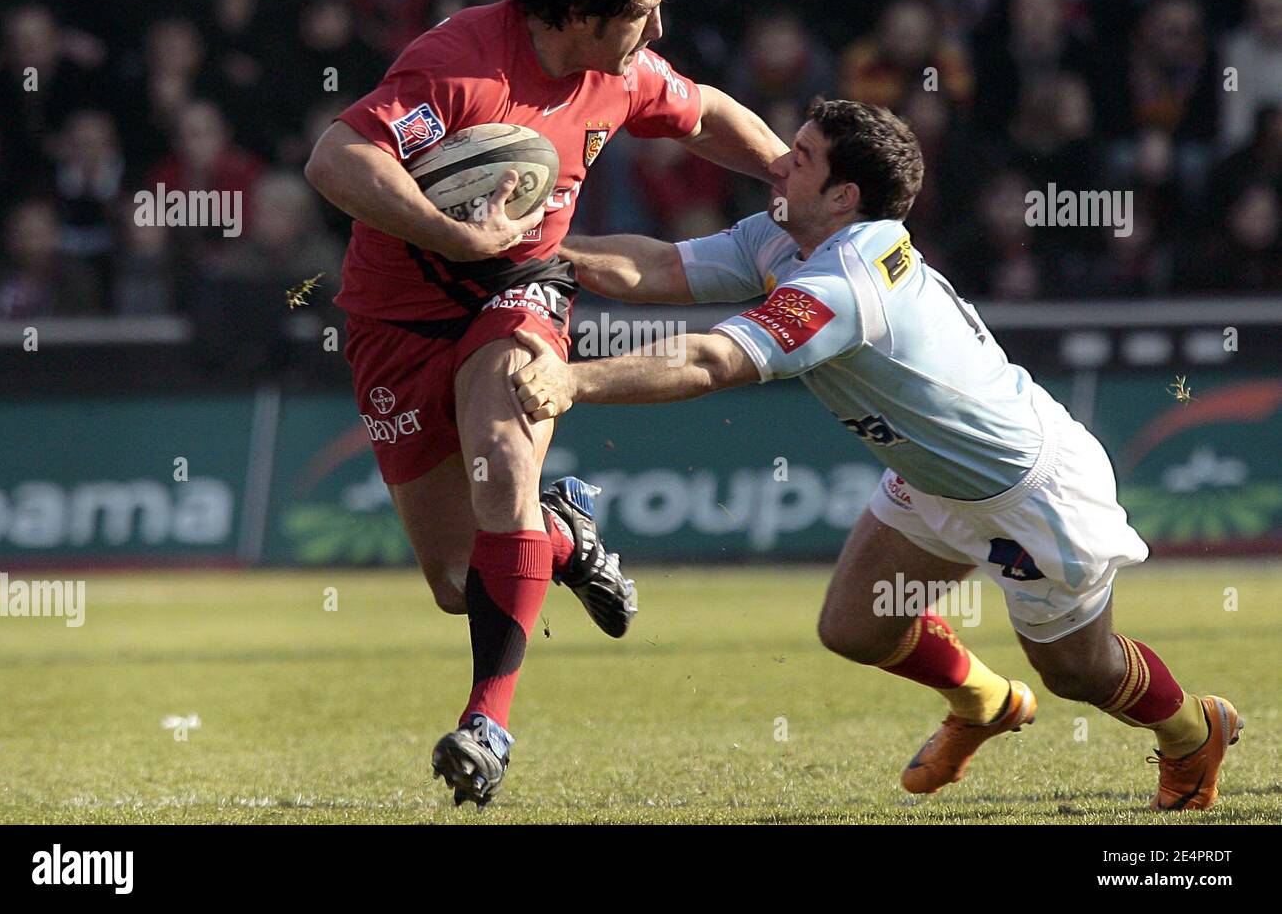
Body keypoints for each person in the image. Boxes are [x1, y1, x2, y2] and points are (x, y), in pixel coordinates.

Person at [510, 99, 1243, 812]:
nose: (777, 165)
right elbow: (662, 268)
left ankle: (1191, 733)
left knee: (1080, 672)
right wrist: (531, 249)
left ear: (843, 194)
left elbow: (711, 359)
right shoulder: (783, 233)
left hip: (1028, 495)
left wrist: (571, 378)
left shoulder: (846, 281)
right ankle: (984, 702)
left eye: (799, 158)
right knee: (856, 627)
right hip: (934, 478)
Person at [304, 0, 787, 807]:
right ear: (579, 15)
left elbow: (706, 114)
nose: (657, 27)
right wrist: (447, 231)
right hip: (397, 321)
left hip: (519, 290)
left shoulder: (625, 70)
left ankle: (487, 723)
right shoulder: (461, 65)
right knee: (460, 582)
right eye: (643, 9)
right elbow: (335, 159)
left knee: (499, 468)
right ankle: (563, 530)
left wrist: (787, 179)